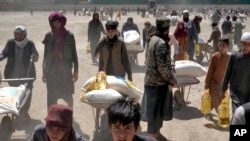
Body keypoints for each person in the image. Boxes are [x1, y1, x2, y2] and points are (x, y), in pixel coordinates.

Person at [142, 17, 177, 140]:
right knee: (155, 113)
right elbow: (162, 67)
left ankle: (156, 133)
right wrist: (172, 79)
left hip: (150, 82)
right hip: (157, 85)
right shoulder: (161, 43)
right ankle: (152, 136)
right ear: (166, 29)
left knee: (155, 113)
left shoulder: (151, 39)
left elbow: (147, 59)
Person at [0, 25, 39, 121]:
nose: (17, 36)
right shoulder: (10, 43)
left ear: (24, 35)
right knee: (15, 94)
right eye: (16, 34)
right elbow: (4, 53)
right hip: (12, 74)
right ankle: (16, 111)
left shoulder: (30, 44)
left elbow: (36, 55)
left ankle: (25, 111)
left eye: (20, 34)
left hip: (27, 75)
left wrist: (34, 57)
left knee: (27, 94)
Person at [42, 12, 79, 110]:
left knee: (68, 95)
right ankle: (51, 118)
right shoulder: (48, 36)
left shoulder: (69, 35)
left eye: (58, 22)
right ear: (51, 23)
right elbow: (45, 56)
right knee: (51, 97)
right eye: (54, 23)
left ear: (62, 22)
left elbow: (74, 54)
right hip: (51, 71)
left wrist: (76, 71)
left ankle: (69, 114)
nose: (57, 24)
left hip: (65, 71)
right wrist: (44, 72)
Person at [222, 32, 250, 113]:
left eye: (249, 45)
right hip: (236, 91)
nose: (246, 47)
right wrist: (223, 89)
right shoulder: (234, 56)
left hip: (248, 92)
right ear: (240, 43)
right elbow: (227, 73)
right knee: (237, 112)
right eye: (244, 44)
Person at [204, 38, 230, 120]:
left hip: (222, 83)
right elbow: (210, 70)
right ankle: (222, 116)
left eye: (223, 46)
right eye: (219, 46)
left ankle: (207, 112)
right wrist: (207, 83)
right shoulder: (214, 57)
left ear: (228, 46)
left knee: (215, 98)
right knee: (217, 99)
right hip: (213, 82)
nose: (221, 47)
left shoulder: (229, 57)